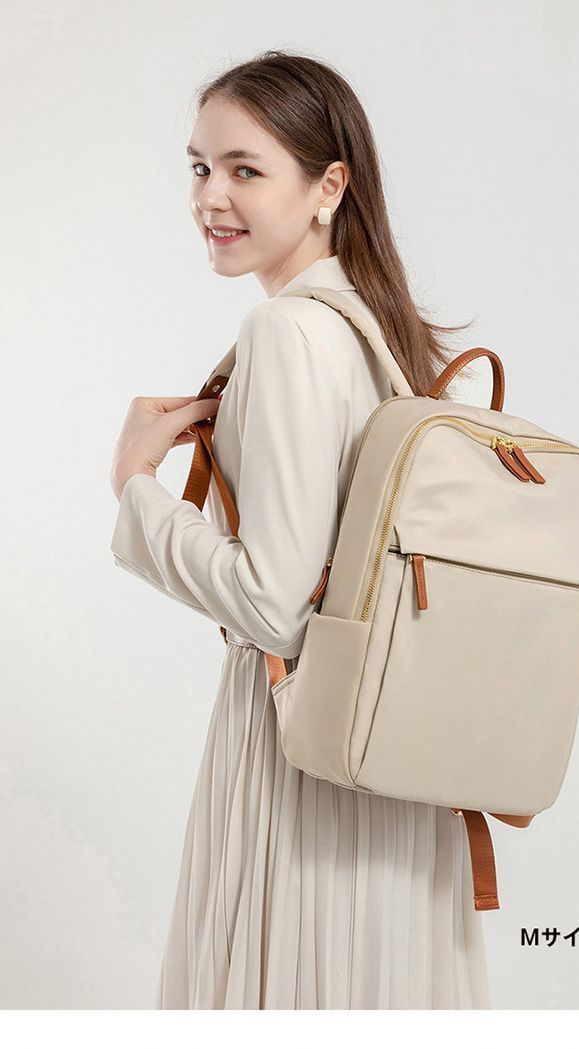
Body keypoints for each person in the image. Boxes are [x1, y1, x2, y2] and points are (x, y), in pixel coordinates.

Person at [109, 49, 490, 1010]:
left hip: (300, 746)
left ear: (329, 186)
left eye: (246, 169)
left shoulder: (286, 331)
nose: (211, 196)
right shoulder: (383, 332)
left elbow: (274, 605)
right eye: (200, 166)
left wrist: (136, 487)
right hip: (393, 752)